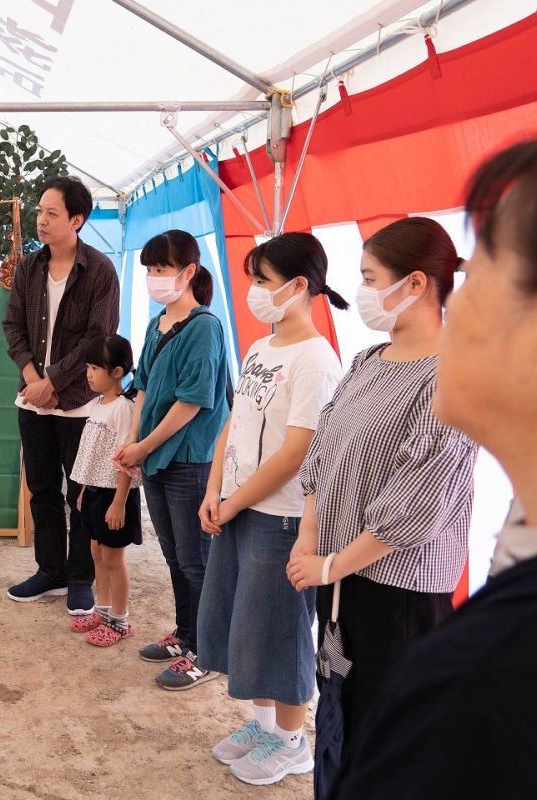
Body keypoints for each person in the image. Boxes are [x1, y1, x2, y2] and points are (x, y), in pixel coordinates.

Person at [331, 139, 537, 799]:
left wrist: (332, 561)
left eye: (475, 276)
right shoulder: (518, 567)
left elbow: (413, 505)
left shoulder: (491, 673)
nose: (455, 309)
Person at [286, 217, 478, 795]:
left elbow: (420, 500)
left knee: (388, 733)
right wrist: (308, 540)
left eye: (370, 278)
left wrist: (332, 564)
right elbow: (323, 451)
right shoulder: (370, 360)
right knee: (339, 720)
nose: (363, 292)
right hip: (338, 580)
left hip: (398, 594)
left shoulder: (454, 374)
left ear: (415, 284)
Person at [197, 233, 346, 785]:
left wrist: (231, 502)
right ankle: (263, 725)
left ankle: (291, 739)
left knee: (280, 630)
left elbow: (296, 453)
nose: (254, 290)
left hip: (279, 515)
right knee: (244, 624)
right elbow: (233, 425)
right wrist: (215, 492)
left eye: (262, 280)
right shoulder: (261, 348)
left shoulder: (316, 359)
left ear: (298, 285)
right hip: (238, 508)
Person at [113, 229, 232, 690]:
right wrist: (134, 441)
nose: (153, 277)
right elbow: (143, 388)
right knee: (175, 556)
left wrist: (143, 446)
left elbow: (193, 402)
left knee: (197, 560)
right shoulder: (157, 322)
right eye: (150, 269)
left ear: (188, 272)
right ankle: (185, 635)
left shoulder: (205, 326)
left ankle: (207, 649)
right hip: (157, 456)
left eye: (161, 269)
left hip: (189, 458)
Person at [4, 176, 121, 615]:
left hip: (79, 403)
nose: (41, 221)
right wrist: (34, 379)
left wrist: (52, 382)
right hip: (32, 399)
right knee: (41, 489)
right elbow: (13, 327)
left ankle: (79, 577)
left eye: (52, 214)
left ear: (77, 219)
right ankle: (49, 571)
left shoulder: (100, 271)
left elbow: (98, 337)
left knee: (80, 493)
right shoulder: (28, 269)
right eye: (39, 212)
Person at [67, 335, 143, 647]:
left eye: (95, 367)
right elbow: (92, 453)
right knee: (97, 553)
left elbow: (126, 459)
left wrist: (119, 502)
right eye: (88, 366)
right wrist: (84, 488)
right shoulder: (97, 405)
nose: (88, 373)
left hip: (115, 496)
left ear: (117, 372)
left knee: (114, 559)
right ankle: (103, 610)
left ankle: (120, 620)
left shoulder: (123, 409)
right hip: (96, 492)